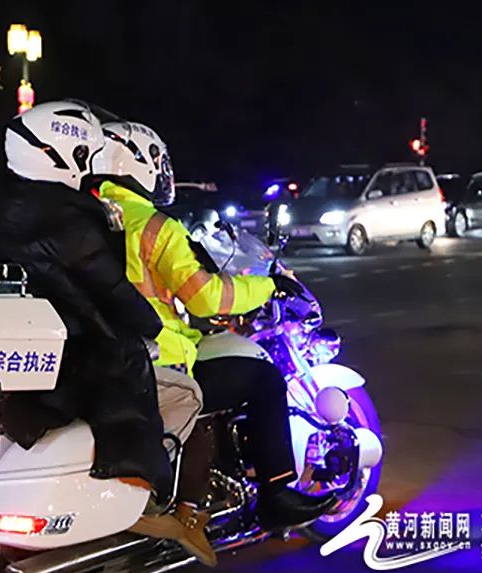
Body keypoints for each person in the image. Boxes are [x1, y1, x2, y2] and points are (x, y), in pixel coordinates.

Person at [92, 119, 337, 534]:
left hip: (110, 359)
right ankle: (276, 496)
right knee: (265, 381)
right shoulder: (154, 226)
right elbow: (205, 297)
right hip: (163, 361)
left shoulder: (92, 218)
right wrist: (268, 286)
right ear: (137, 165)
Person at [0, 102, 207, 559]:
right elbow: (110, 288)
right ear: (64, 154)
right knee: (188, 395)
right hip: (86, 353)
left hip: (47, 346)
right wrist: (151, 326)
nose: (90, 163)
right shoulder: (68, 217)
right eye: (85, 152)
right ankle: (143, 498)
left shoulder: (5, 203)